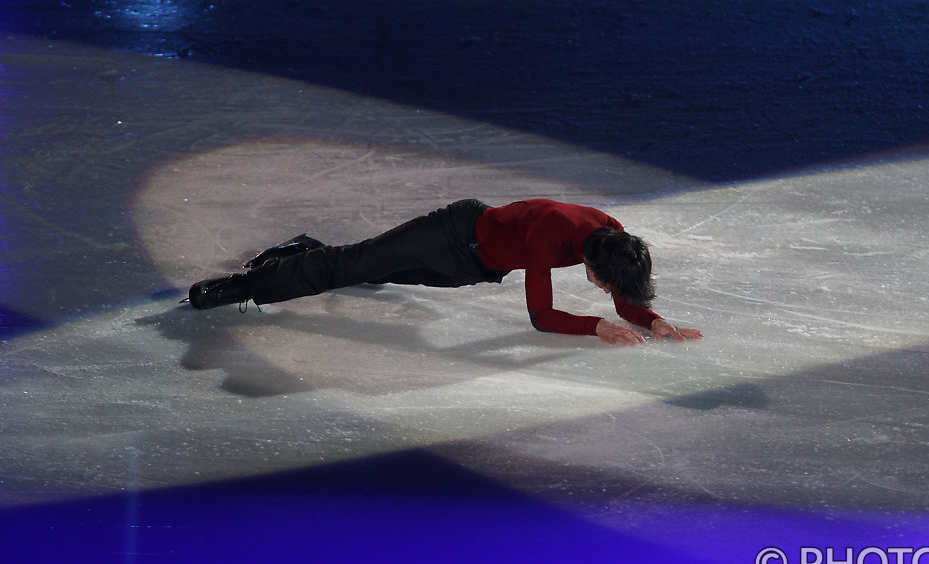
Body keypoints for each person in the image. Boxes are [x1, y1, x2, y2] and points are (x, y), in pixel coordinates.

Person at [186, 198, 703, 346]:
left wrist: (650, 320)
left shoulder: (613, 238)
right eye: (604, 281)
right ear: (593, 261)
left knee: (360, 269)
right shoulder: (552, 230)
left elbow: (622, 294)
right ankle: (247, 284)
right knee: (357, 264)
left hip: (474, 269)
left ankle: (305, 252)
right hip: (452, 232)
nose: (606, 291)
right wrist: (593, 326)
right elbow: (541, 316)